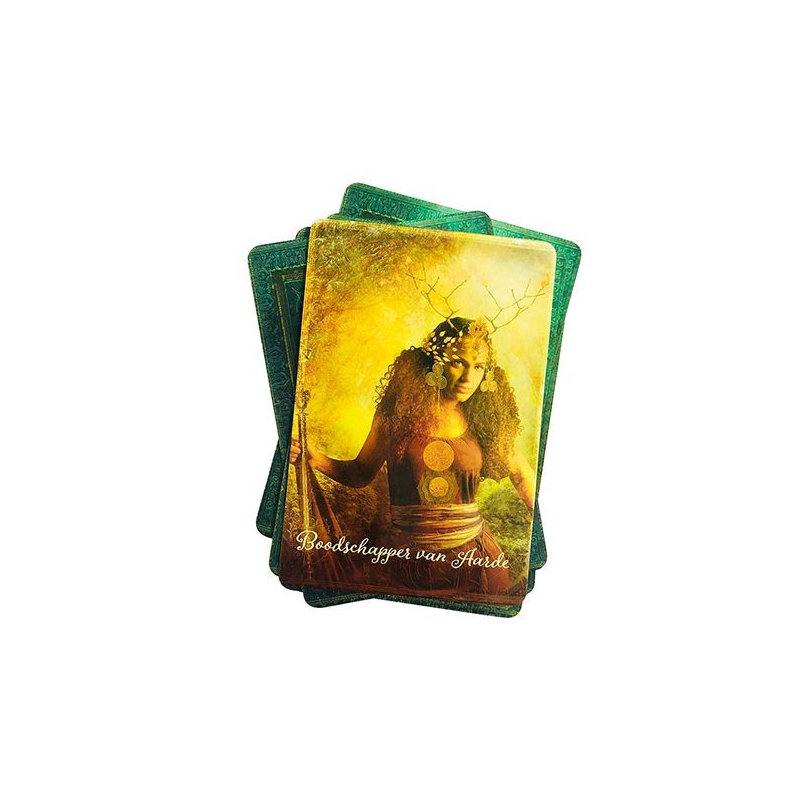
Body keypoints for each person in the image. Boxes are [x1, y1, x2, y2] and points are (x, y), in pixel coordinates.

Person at [289, 316, 537, 601]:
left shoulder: (484, 420)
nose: (469, 377)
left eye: (478, 366)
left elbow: (522, 475)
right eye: (458, 362)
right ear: (435, 361)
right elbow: (360, 472)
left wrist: (542, 526)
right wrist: (316, 459)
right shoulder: (397, 413)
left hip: (477, 566)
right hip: (407, 565)